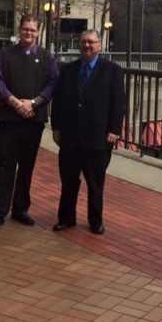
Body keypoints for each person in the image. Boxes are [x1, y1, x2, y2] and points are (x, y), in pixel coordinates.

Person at [0, 14, 59, 231]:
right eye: (25, 29)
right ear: (19, 29)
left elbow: (52, 83)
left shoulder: (47, 58)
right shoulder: (6, 54)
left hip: (33, 121)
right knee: (5, 166)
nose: (29, 33)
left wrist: (33, 103)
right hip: (9, 120)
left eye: (32, 30)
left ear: (38, 32)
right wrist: (16, 103)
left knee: (27, 167)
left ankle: (20, 209)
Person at [50, 29, 125, 235]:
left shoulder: (113, 71)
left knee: (95, 183)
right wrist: (56, 127)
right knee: (69, 181)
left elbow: (118, 103)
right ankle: (66, 218)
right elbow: (58, 101)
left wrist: (114, 130)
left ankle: (95, 221)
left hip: (98, 137)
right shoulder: (68, 70)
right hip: (70, 137)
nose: (87, 46)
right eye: (83, 42)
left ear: (99, 46)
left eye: (91, 42)